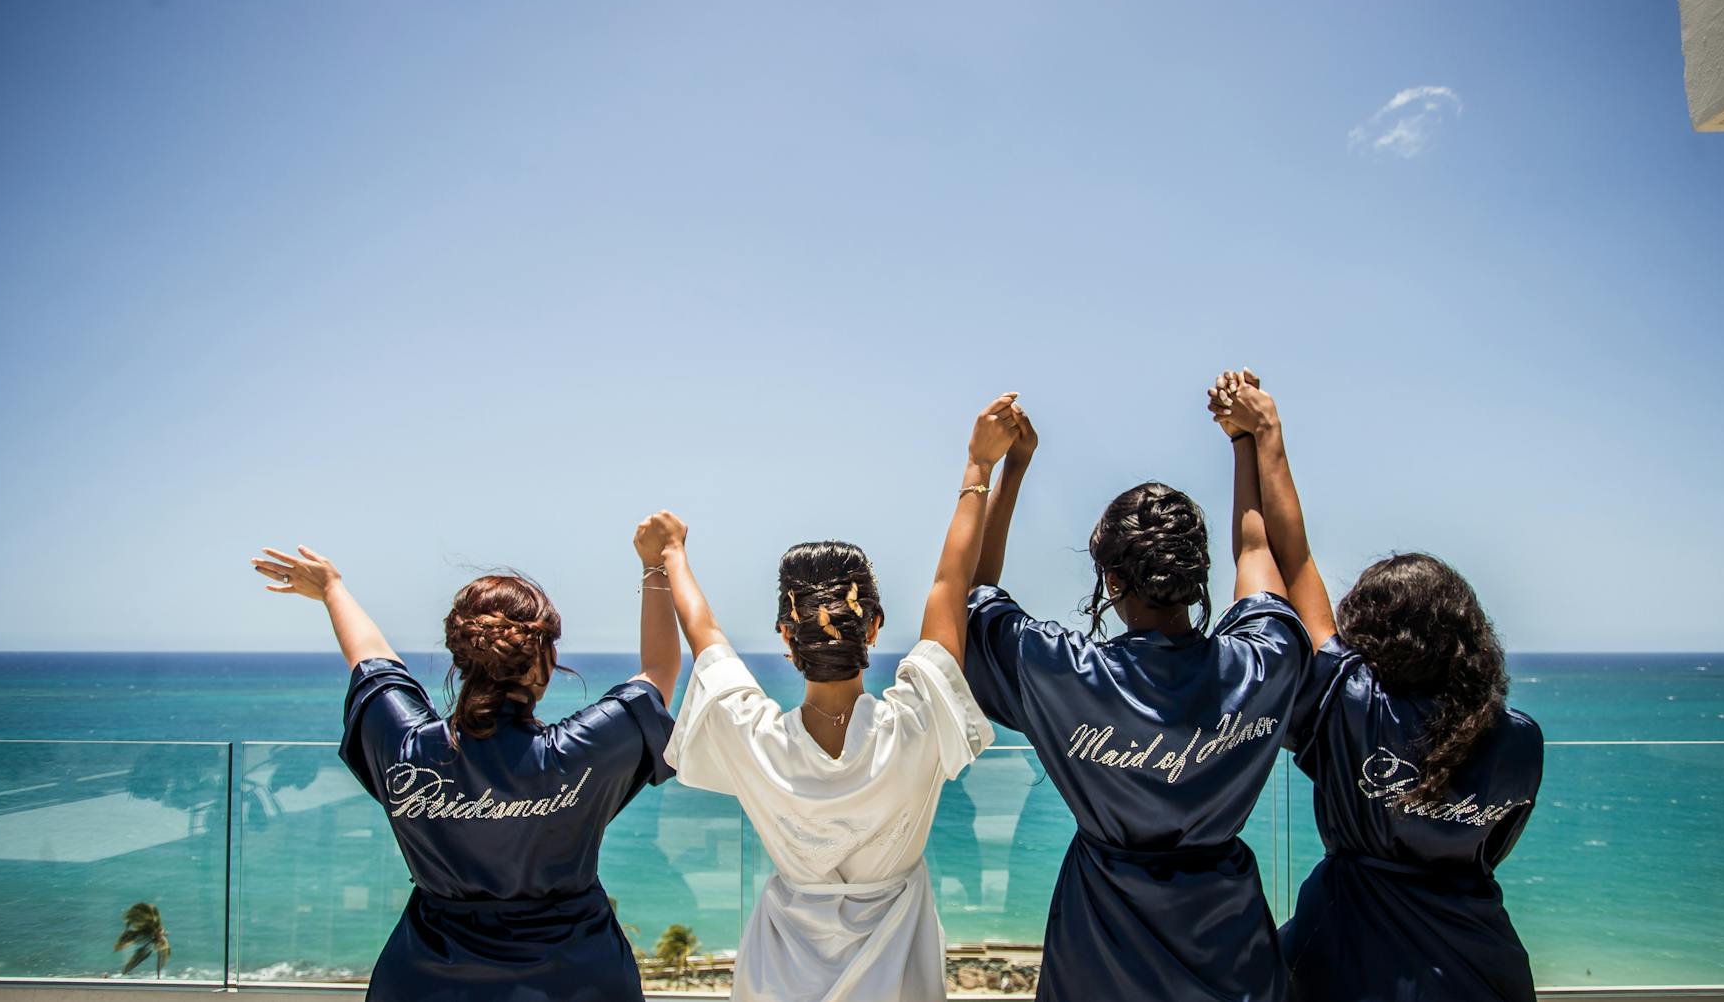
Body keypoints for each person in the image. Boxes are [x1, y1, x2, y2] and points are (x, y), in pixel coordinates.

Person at [651, 394, 1021, 1002]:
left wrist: (669, 555)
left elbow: (705, 637)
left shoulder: (754, 738)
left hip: (779, 975)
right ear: (874, 626)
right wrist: (984, 466)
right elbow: (953, 584)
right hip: (898, 974)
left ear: (784, 635)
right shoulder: (917, 720)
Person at [1209, 369, 1543, 1002]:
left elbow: (1291, 559)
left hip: (1347, 956)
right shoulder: (1519, 740)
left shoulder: (1347, 705)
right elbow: (1490, 851)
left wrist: (1255, 438)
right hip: (1482, 965)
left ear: (1370, 633)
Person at [962, 399, 1311, 1002]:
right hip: (1231, 957)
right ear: (1196, 576)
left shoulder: (1066, 674)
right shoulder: (1261, 664)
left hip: (1099, 955)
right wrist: (1245, 441)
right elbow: (1258, 554)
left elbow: (974, 595)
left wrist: (1009, 468)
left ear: (1112, 581)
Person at [249, 537, 681, 1002]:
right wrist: (656, 563)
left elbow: (372, 663)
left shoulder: (410, 752)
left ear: (461, 655)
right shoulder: (574, 755)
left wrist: (333, 588)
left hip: (425, 980)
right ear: (545, 660)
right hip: (576, 979)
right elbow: (658, 672)